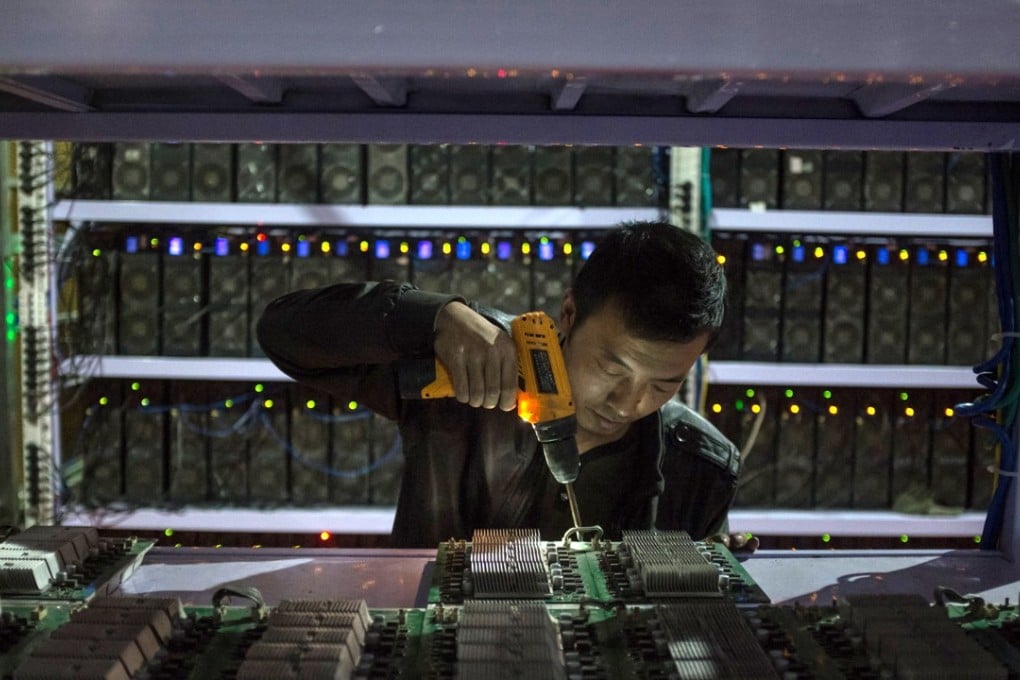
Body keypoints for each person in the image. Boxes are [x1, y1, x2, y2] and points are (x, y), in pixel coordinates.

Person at [257, 221, 741, 548]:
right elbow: (281, 335)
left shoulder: (701, 466)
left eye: (664, 383)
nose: (630, 403)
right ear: (568, 314)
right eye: (613, 369)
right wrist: (428, 318)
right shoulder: (466, 364)